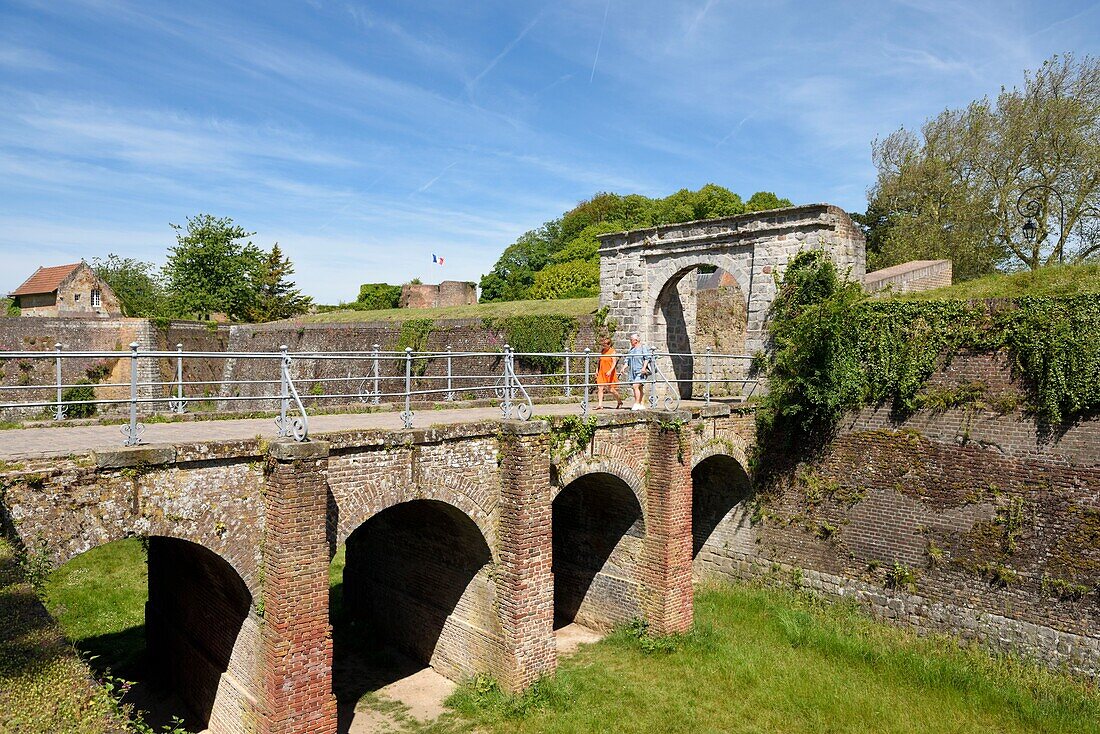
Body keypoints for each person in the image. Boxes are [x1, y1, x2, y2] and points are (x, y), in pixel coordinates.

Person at [623, 333, 652, 411]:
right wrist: (623, 368)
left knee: (635, 386)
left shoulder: (643, 348)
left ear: (636, 340)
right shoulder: (631, 350)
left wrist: (644, 368)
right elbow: (627, 360)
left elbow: (647, 358)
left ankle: (637, 403)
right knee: (640, 387)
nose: (630, 341)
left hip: (640, 371)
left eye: (631, 340)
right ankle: (641, 404)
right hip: (633, 372)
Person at [595, 337, 623, 410]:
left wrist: (610, 371)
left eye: (605, 345)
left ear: (609, 344)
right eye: (603, 345)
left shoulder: (612, 351)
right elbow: (600, 361)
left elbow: (614, 362)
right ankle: (600, 404)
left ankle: (619, 401)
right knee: (600, 388)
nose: (603, 346)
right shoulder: (602, 351)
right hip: (602, 371)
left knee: (611, 390)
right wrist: (597, 370)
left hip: (609, 372)